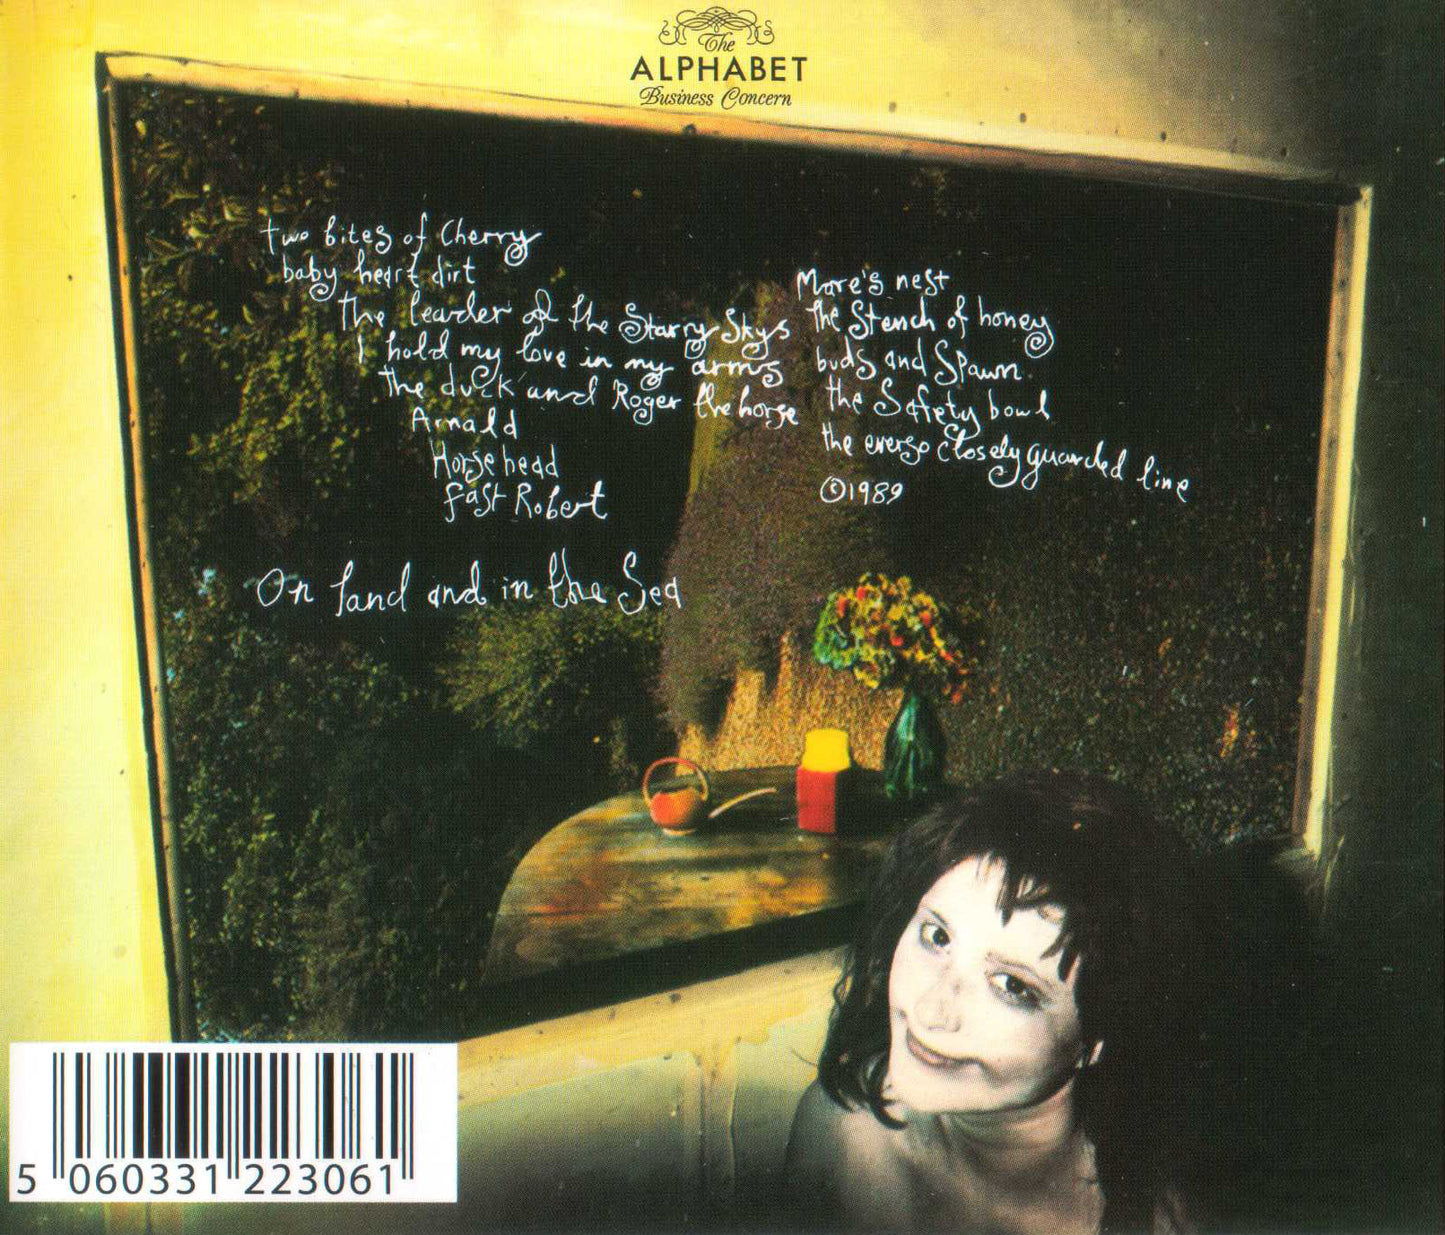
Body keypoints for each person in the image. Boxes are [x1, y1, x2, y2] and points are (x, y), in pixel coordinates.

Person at [784, 770, 1210, 1233]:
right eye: (937, 937)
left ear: (1096, 1040)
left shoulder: (1157, 1220)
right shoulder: (841, 1130)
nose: (930, 1011)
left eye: (1010, 985)